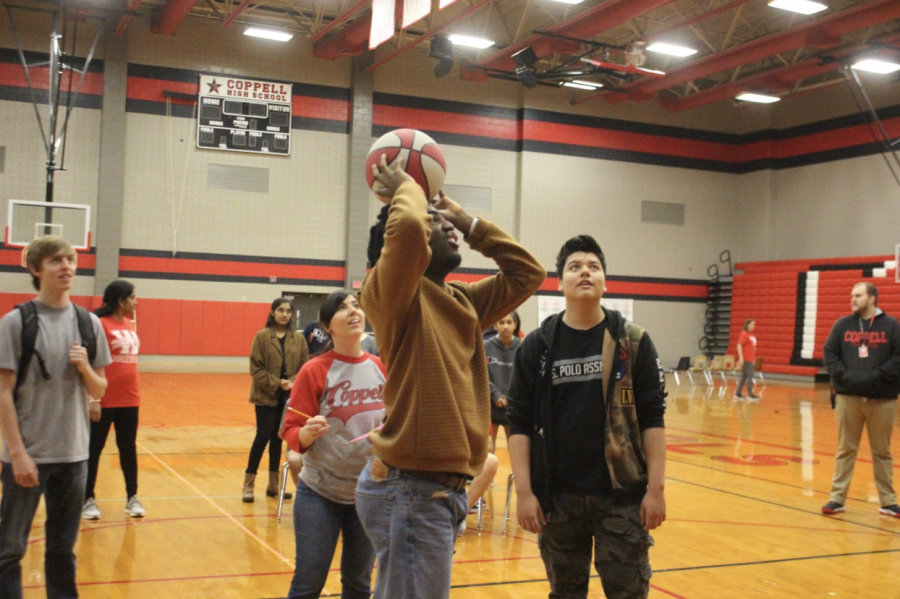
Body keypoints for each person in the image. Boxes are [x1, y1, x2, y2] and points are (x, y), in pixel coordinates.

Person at [355, 155, 545, 599]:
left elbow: (528, 272)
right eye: (435, 223)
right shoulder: (391, 295)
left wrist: (467, 218)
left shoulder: (461, 299)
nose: (448, 227)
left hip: (438, 492)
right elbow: (403, 236)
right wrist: (408, 187)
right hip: (413, 490)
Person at [507, 234, 667, 599]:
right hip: (559, 499)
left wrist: (656, 489)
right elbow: (518, 422)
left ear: (605, 281)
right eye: (574, 267)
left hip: (622, 497)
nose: (585, 272)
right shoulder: (538, 344)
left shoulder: (633, 342)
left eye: (593, 267)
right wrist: (525, 492)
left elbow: (654, 418)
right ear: (559, 282)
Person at [0, 235, 112, 598]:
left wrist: (84, 368)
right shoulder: (16, 323)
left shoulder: (88, 323)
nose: (67, 266)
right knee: (10, 550)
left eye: (70, 259)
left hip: (74, 456)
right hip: (29, 457)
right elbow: (2, 392)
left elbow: (99, 390)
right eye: (56, 261)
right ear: (35, 269)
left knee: (62, 549)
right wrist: (17, 454)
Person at [282, 290, 386, 599]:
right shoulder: (314, 370)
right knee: (307, 585)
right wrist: (307, 433)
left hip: (367, 496)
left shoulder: (382, 368)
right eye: (342, 308)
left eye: (355, 305)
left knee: (358, 586)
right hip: (319, 494)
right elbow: (290, 431)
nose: (353, 311)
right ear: (327, 326)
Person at [821, 282, 900, 518]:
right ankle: (837, 498)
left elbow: (899, 356)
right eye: (851, 295)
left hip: (882, 399)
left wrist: (878, 376)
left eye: (858, 295)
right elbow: (830, 352)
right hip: (848, 398)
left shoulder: (892, 325)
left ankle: (887, 501)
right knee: (845, 449)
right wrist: (844, 376)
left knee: (882, 451)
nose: (853, 299)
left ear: (872, 298)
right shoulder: (842, 325)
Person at [83, 280, 145, 521]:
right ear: (121, 301)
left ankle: (132, 497)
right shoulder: (99, 324)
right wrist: (93, 398)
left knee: (128, 449)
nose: (136, 301)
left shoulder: (130, 323)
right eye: (132, 297)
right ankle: (88, 498)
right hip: (104, 399)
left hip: (130, 399)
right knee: (94, 450)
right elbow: (88, 362)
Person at [244, 298, 309, 502]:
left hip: (288, 398)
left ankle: (274, 486)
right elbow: (256, 369)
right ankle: (248, 486)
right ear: (272, 312)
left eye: (288, 311)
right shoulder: (262, 337)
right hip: (265, 396)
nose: (284, 314)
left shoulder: (298, 339)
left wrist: (292, 382)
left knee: (278, 440)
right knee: (262, 437)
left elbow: (305, 367)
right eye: (280, 310)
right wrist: (276, 383)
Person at [486, 311, 521, 448]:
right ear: (495, 325)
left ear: (515, 325)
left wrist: (510, 397)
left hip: (512, 406)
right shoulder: (485, 346)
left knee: (515, 450)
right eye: (501, 322)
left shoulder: (522, 348)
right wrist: (495, 395)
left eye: (509, 322)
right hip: (490, 406)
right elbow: (481, 375)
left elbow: (523, 377)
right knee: (488, 452)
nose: (505, 326)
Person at [735, 318, 759, 400]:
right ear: (747, 325)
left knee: (744, 376)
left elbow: (753, 348)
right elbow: (739, 345)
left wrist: (754, 358)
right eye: (752, 324)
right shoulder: (744, 334)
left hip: (750, 358)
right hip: (746, 358)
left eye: (754, 325)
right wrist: (741, 358)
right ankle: (750, 394)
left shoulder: (752, 335)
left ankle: (737, 393)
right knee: (750, 375)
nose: (753, 326)